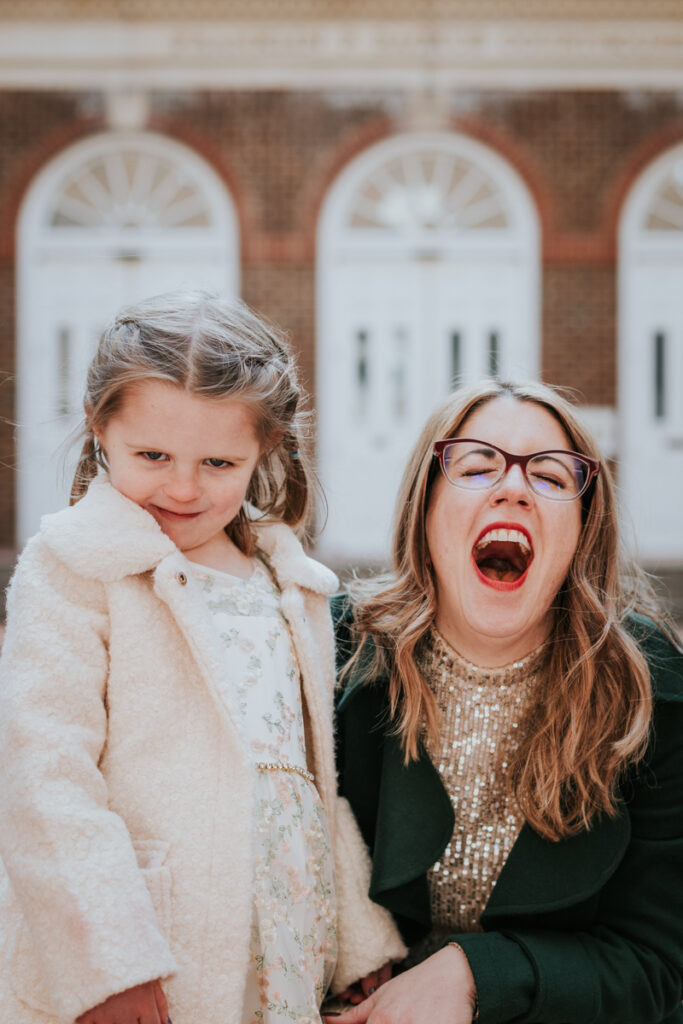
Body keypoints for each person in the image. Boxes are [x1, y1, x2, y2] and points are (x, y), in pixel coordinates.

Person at [0, 292, 405, 1024]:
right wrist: (108, 966)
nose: (182, 488)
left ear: (265, 452)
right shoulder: (73, 570)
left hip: (283, 950)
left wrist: (359, 946)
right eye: (152, 455)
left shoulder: (291, 587)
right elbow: (45, 783)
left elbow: (313, 783)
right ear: (99, 429)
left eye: (218, 462)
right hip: (144, 956)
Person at [329, 379, 683, 1024]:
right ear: (426, 509)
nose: (513, 487)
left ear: (583, 528)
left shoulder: (651, 688)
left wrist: (477, 974)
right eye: (476, 465)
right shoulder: (333, 652)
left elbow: (658, 964)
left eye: (550, 477)